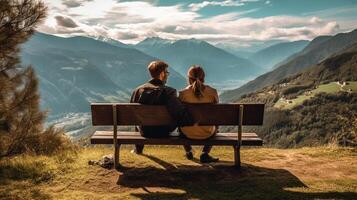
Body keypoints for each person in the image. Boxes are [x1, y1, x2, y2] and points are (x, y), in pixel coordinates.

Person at [130, 60, 193, 154]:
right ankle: (188, 151)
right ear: (162, 74)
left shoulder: (137, 91)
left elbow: (133, 114)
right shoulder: (169, 92)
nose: (168, 75)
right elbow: (178, 113)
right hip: (163, 131)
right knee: (180, 117)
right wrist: (190, 121)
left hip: (144, 132)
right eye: (167, 72)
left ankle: (138, 149)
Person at [179, 65, 219, 163]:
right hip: (207, 133)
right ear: (203, 78)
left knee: (180, 124)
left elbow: (179, 114)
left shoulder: (183, 93)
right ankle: (205, 153)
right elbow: (217, 113)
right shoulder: (212, 92)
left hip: (186, 133)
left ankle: (188, 151)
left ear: (189, 79)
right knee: (215, 125)